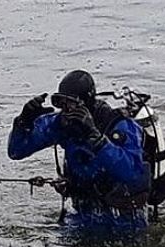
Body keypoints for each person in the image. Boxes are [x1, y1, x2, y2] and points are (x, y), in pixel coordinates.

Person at [8, 70, 150, 227]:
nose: (66, 110)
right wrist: (24, 122)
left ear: (86, 102)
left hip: (125, 219)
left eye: (72, 104)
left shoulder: (119, 125)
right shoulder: (61, 124)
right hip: (84, 214)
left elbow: (132, 173)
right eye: (61, 103)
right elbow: (16, 152)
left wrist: (97, 139)